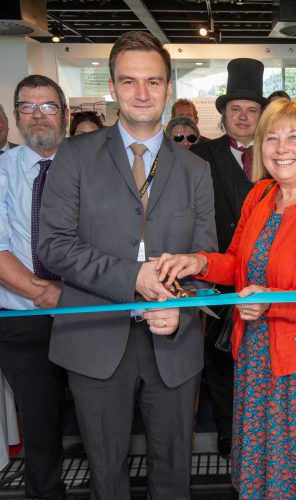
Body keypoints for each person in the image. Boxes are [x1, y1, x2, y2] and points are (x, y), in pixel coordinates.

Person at [38, 31, 217, 500]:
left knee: (174, 472)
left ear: (168, 87)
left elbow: (205, 257)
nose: (142, 93)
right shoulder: (75, 156)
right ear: (113, 88)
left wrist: (180, 304)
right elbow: (53, 246)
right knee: (105, 471)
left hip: (172, 340)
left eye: (153, 82)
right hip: (94, 336)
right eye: (130, 81)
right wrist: (130, 277)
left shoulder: (196, 169)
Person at [156, 98, 296, 498]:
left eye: (293, 136)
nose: (281, 147)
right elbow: (236, 262)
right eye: (271, 137)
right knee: (263, 469)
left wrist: (271, 303)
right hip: (254, 356)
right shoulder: (262, 196)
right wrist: (196, 260)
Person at [190, 57, 267, 458]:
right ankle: (226, 430)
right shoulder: (200, 155)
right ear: (223, 114)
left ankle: (260, 431)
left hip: (270, 280)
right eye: (235, 109)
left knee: (262, 357)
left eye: (251, 109)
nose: (242, 116)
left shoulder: (280, 155)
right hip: (216, 275)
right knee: (219, 359)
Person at [0, 74, 68, 499]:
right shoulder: (3, 171)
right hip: (23, 320)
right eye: (28, 106)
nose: (38, 115)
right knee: (40, 429)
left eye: (48, 106)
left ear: (64, 112)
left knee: (102, 422)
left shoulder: (91, 168)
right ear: (17, 116)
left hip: (90, 318)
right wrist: (44, 293)